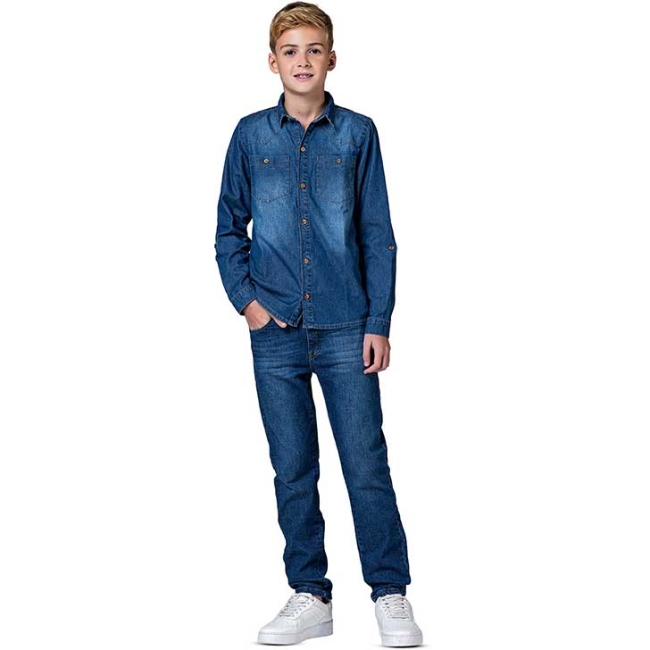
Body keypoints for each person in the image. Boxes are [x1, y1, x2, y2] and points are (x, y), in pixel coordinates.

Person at [214, 2, 423, 646]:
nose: (302, 61)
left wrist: (378, 320)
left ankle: (389, 592)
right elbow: (228, 230)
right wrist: (248, 303)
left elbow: (377, 232)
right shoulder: (250, 136)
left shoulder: (358, 134)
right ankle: (310, 593)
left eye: (313, 49)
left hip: (345, 326)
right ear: (271, 61)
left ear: (332, 58)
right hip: (274, 330)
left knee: (365, 463)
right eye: (290, 51)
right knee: (293, 467)